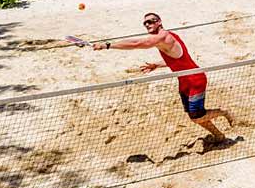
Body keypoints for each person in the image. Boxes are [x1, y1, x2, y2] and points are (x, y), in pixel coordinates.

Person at [93, 13, 233, 143]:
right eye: (145, 23)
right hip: (184, 80)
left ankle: (223, 112)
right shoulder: (161, 40)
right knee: (194, 116)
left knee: (196, 117)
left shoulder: (164, 37)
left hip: (195, 79)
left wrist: (107, 45)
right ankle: (219, 136)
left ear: (159, 22)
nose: (147, 24)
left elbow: (137, 44)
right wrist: (157, 65)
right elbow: (180, 59)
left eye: (150, 21)